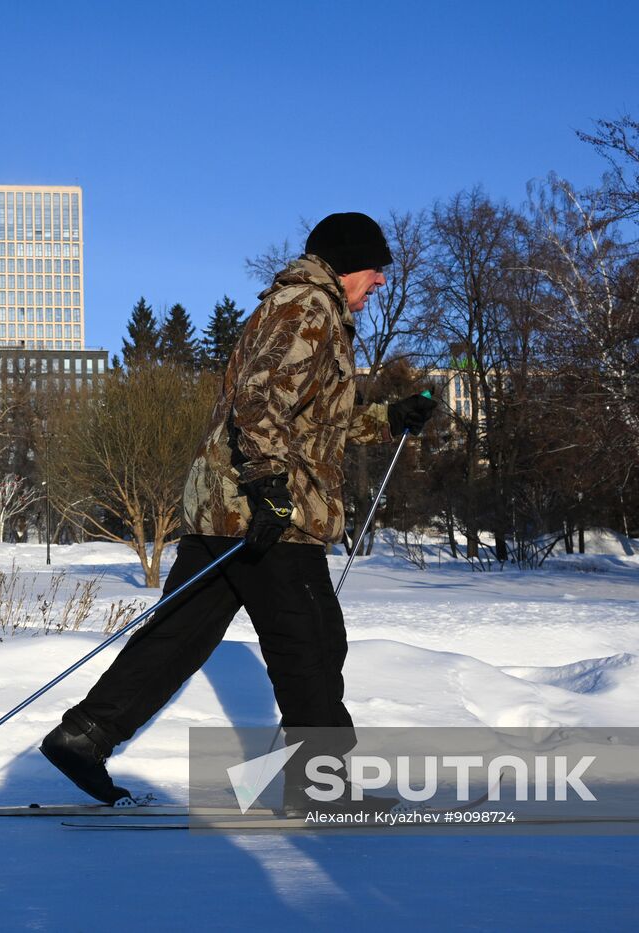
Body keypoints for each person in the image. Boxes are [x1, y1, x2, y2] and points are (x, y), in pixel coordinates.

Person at [40, 212, 436, 809]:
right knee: (312, 643)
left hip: (229, 509)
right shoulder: (308, 307)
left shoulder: (306, 308)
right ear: (349, 262)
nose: (380, 282)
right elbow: (256, 404)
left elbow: (311, 420)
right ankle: (321, 788)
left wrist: (387, 417)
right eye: (376, 269)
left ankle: (84, 736)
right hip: (265, 513)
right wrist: (270, 487)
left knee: (180, 636)